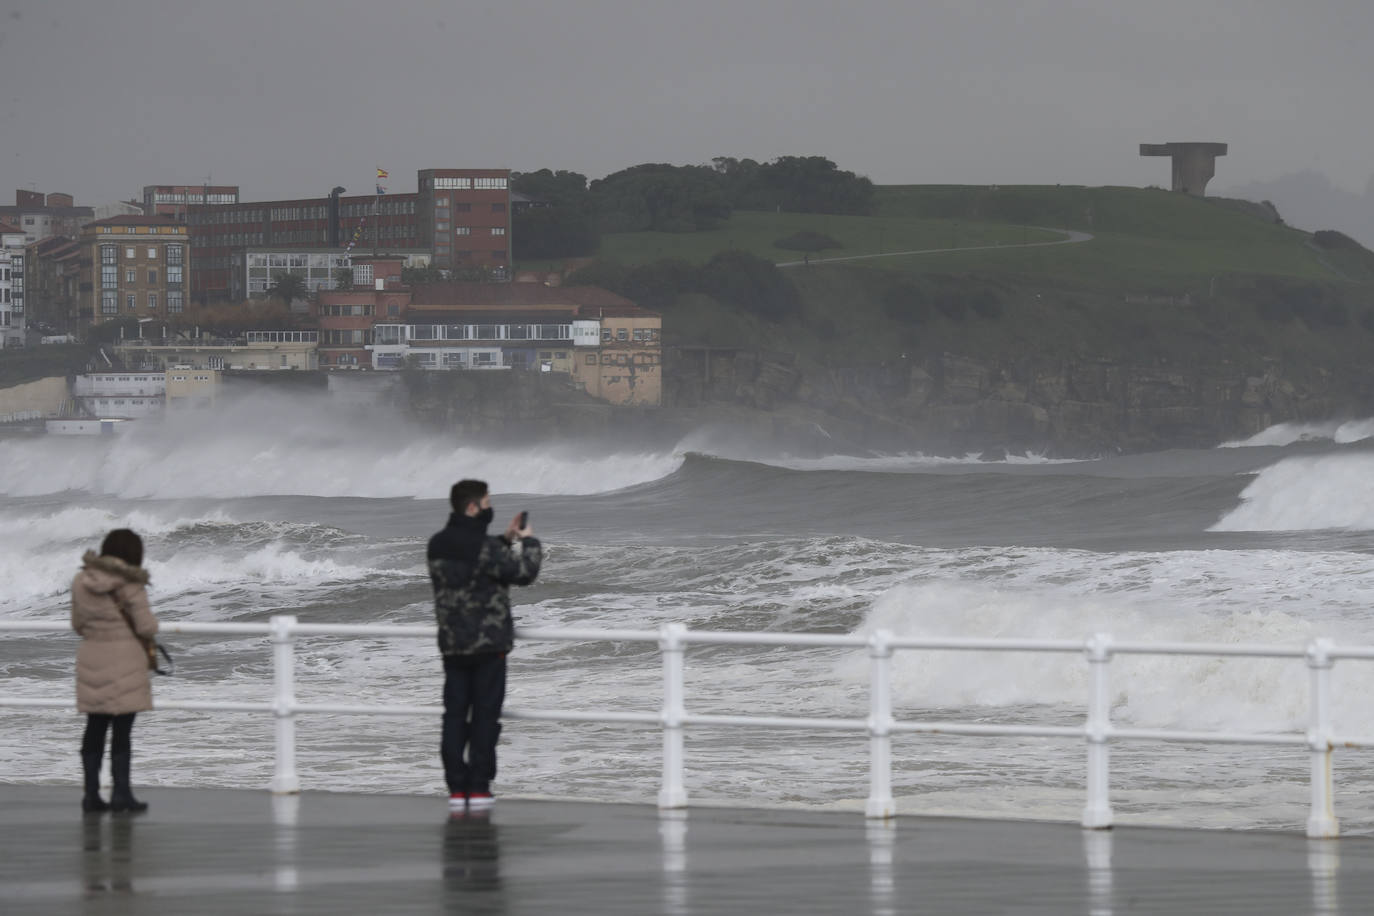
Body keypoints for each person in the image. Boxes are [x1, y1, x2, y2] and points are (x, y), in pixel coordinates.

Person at [428, 479, 541, 812]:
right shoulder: (484, 548)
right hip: (489, 647)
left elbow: (472, 555)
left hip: (453, 647)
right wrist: (528, 540)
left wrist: (503, 539)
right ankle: (478, 788)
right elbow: (523, 573)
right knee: (484, 717)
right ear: (473, 507)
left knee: (454, 717)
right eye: (487, 502)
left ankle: (456, 788)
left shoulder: (437, 544)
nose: (490, 508)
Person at [71, 529, 159, 814]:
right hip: (126, 661)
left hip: (92, 655)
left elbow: (77, 625)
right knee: (122, 731)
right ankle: (122, 794)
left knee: (94, 728)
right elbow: (146, 627)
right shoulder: (132, 583)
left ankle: (91, 796)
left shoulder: (81, 580)